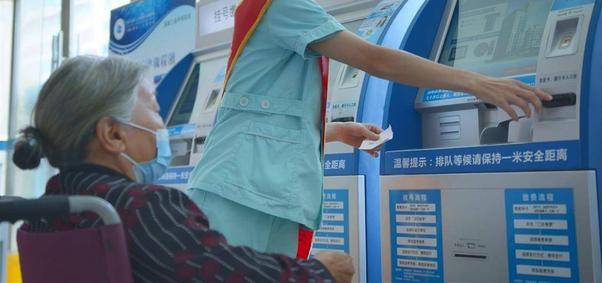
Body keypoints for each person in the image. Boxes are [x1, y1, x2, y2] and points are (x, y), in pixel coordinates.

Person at [187, 0, 552, 258]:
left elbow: (266, 109)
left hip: (252, 184)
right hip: (243, 189)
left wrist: (335, 131)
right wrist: (478, 83)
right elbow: (375, 59)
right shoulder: (282, 0)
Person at [13, 55, 354, 283]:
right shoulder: (141, 208)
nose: (161, 126)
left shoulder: (42, 213)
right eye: (155, 109)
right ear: (113, 134)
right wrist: (320, 272)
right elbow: (228, 274)